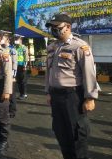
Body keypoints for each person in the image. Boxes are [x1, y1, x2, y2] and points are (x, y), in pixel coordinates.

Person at [45, 13, 99, 159]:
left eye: (57, 27)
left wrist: (90, 98)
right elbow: (49, 72)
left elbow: (89, 73)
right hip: (56, 96)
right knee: (61, 133)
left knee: (76, 135)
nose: (53, 30)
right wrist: (48, 92)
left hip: (73, 97)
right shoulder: (52, 47)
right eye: (52, 27)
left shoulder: (79, 46)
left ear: (68, 27)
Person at [1, 31, 18, 119]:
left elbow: (15, 63)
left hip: (10, 75)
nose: (1, 39)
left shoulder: (12, 50)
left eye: (3, 37)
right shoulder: (0, 49)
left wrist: (13, 76)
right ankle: (5, 110)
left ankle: (12, 111)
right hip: (2, 75)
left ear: (7, 39)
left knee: (11, 94)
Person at [14, 34, 29, 100]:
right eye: (15, 39)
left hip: (22, 66)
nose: (16, 40)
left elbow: (26, 57)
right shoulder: (15, 47)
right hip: (16, 65)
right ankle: (21, 93)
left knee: (23, 80)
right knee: (18, 80)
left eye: (17, 39)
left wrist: (25, 66)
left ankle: (24, 94)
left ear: (20, 40)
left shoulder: (24, 47)